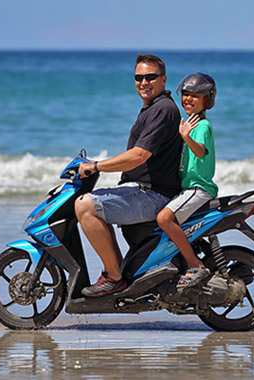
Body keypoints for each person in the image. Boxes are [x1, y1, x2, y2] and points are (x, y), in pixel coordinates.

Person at [76, 54, 183, 297]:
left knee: (85, 207)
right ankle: (119, 272)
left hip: (153, 194)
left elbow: (139, 156)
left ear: (163, 79)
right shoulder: (152, 108)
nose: (144, 82)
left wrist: (97, 165)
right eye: (138, 78)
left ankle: (114, 278)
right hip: (144, 190)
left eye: (150, 77)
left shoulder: (162, 109)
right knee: (96, 204)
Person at [156, 72, 219, 289]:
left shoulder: (202, 126)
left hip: (199, 187)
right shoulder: (189, 124)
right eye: (185, 95)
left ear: (206, 100)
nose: (188, 99)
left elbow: (200, 152)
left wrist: (186, 137)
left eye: (195, 95)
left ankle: (195, 263)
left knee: (164, 219)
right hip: (186, 188)